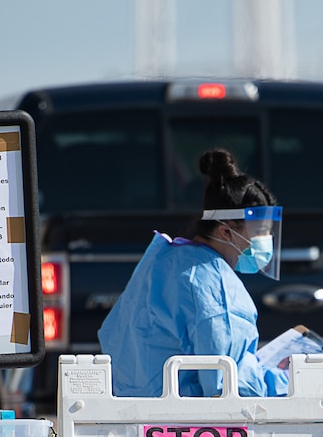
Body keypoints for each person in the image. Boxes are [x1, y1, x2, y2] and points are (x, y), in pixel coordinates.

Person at [99, 148, 288, 398]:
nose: (266, 240)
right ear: (226, 231)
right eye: (260, 231)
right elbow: (232, 387)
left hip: (131, 410)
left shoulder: (166, 260)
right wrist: (287, 379)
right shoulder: (216, 284)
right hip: (175, 424)